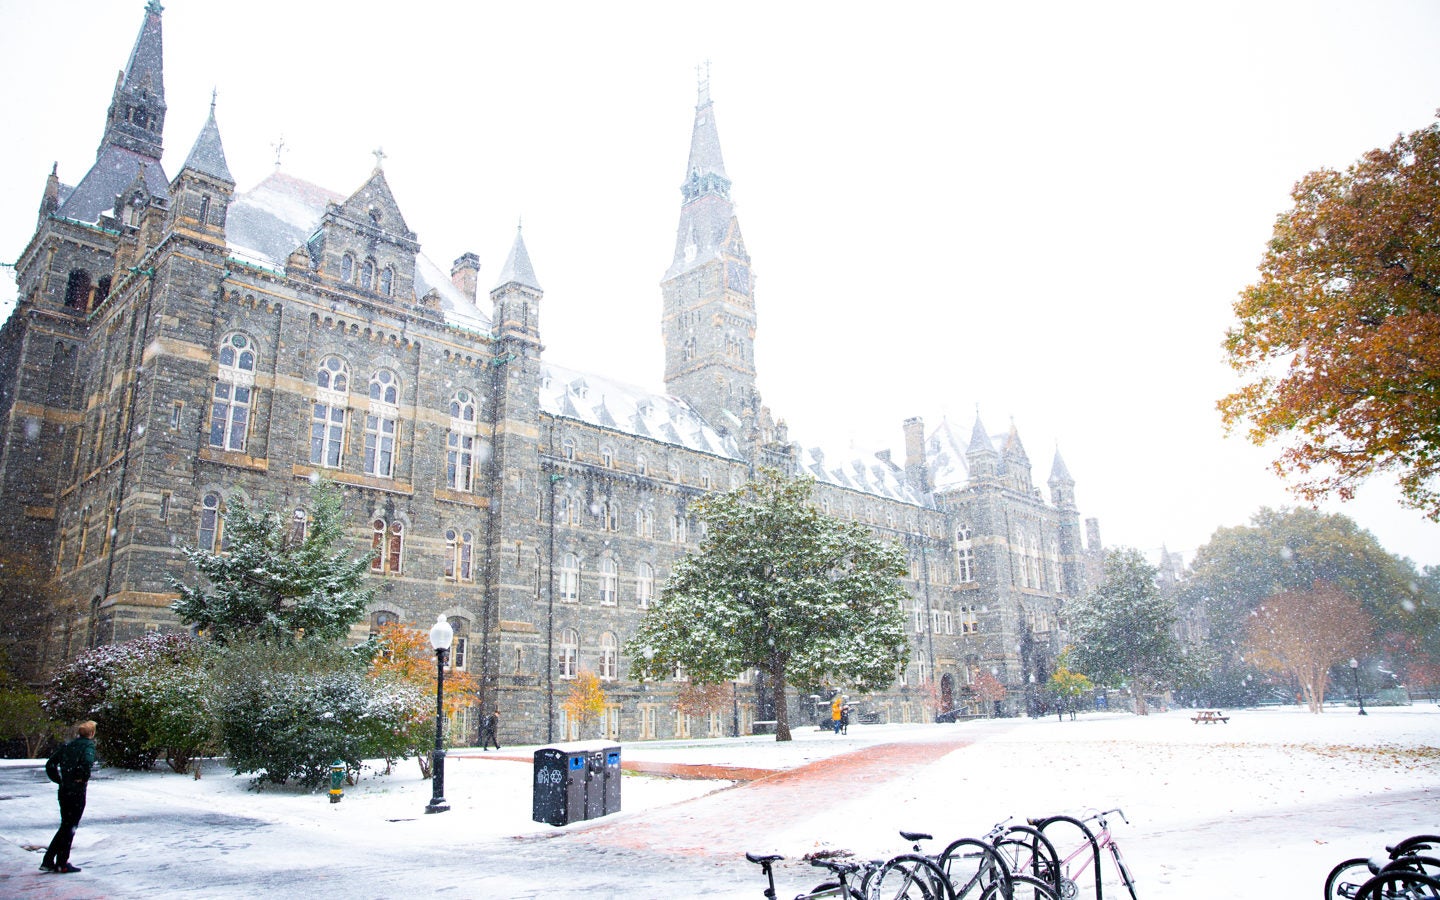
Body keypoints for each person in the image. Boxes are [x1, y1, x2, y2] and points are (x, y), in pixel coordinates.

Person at [42, 720, 97, 874]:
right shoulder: (88, 746)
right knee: (70, 826)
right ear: (91, 733)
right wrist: (82, 777)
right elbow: (87, 762)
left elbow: (50, 764)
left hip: (64, 790)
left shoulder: (69, 745)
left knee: (65, 825)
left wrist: (60, 780)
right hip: (76, 791)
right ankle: (61, 862)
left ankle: (49, 859)